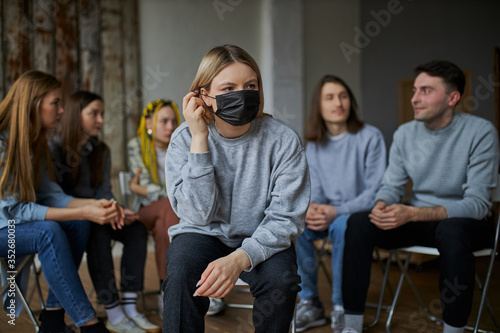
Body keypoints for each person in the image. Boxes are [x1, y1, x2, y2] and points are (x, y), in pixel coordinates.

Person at [341, 60, 499, 333]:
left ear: (453, 98)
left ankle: (453, 330)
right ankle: (351, 326)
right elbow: (391, 186)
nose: (414, 98)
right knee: (358, 223)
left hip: (466, 223)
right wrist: (381, 205)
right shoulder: (405, 134)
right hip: (419, 219)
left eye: (425, 91)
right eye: (414, 90)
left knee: (451, 231)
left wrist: (412, 213)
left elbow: (478, 205)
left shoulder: (481, 132)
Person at [163, 44, 310, 333]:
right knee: (181, 271)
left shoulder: (283, 140)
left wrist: (240, 258)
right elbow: (197, 215)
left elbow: (286, 217)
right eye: (228, 88)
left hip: (262, 234)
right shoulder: (184, 139)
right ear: (203, 96)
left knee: (282, 280)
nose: (242, 95)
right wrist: (199, 141)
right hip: (203, 232)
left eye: (250, 85)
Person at [0, 70, 120, 333]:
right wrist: (87, 210)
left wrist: (91, 207)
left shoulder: (34, 142)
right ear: (34, 103)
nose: (62, 110)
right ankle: (90, 325)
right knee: (48, 232)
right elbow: (13, 210)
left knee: (79, 224)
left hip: (13, 226)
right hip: (4, 229)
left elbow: (50, 194)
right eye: (55, 103)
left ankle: (53, 318)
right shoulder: (2, 143)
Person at [50, 91, 160, 333]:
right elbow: (53, 198)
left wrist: (116, 208)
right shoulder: (54, 149)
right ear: (74, 115)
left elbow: (105, 192)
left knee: (136, 230)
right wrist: (95, 209)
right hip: (72, 221)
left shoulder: (101, 150)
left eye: (101, 114)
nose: (100, 120)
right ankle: (113, 311)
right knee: (96, 229)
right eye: (94, 114)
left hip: (99, 214)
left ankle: (130, 307)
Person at [295, 75, 387, 333]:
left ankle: (341, 306)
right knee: (296, 223)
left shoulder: (370, 137)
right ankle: (310, 302)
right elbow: (317, 191)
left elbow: (375, 192)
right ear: (319, 106)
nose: (339, 102)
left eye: (343, 96)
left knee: (341, 227)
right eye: (330, 97)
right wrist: (313, 208)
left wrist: (336, 212)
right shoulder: (314, 144)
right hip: (329, 214)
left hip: (361, 217)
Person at [126, 98, 181, 316]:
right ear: (149, 124)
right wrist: (144, 190)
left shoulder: (182, 145)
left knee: (163, 225)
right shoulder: (137, 145)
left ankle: (167, 288)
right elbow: (148, 188)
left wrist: (143, 188)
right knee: (168, 207)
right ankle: (180, 285)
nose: (170, 127)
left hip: (173, 213)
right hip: (145, 209)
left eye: (174, 121)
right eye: (164, 121)